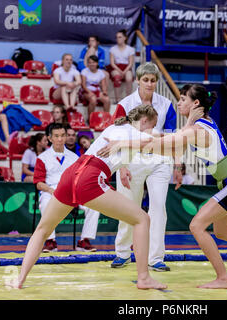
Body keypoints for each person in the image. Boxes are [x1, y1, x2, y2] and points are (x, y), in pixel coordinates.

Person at [98, 84, 227, 289]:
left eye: (183, 99)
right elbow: (169, 140)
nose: (178, 102)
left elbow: (165, 142)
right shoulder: (201, 123)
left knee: (196, 226)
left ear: (196, 103)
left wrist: (123, 144)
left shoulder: (196, 129)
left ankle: (223, 278)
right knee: (223, 232)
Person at [11, 105, 167, 290]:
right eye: (153, 124)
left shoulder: (114, 128)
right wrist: (188, 125)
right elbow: (163, 141)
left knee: (42, 229)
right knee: (142, 218)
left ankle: (20, 279)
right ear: (143, 121)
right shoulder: (135, 133)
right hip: (91, 177)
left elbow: (116, 151)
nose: (154, 128)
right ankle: (144, 278)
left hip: (71, 175)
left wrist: (123, 166)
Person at [111, 62, 176, 272]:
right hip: (132, 159)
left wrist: (177, 165)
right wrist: (121, 166)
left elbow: (173, 138)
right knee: (128, 206)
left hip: (160, 159)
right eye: (145, 79)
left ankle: (155, 257)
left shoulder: (166, 104)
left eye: (153, 80)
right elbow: (115, 136)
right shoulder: (124, 104)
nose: (149, 83)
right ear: (138, 80)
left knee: (159, 208)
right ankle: (122, 252)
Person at [32, 123, 80, 252]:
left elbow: (78, 179)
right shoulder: (42, 158)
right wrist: (51, 190)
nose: (60, 139)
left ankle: (84, 240)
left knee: (94, 205)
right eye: (56, 136)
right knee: (45, 203)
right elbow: (38, 183)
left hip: (71, 191)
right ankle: (50, 241)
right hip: (50, 190)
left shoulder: (75, 158)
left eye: (63, 135)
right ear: (50, 138)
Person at [106, 29, 135, 103]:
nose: (118, 39)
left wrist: (124, 71)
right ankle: (118, 100)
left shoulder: (130, 49)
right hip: (116, 67)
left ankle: (128, 100)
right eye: (117, 37)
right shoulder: (113, 49)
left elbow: (130, 63)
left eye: (120, 37)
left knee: (129, 78)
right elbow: (112, 63)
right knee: (117, 78)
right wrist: (120, 71)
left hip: (127, 68)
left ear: (125, 38)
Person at [80, 55, 111, 120]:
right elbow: (83, 85)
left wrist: (104, 92)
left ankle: (106, 119)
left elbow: (103, 85)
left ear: (97, 63)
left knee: (107, 100)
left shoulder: (101, 73)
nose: (91, 64)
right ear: (88, 63)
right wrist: (90, 92)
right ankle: (90, 119)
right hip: (86, 91)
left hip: (97, 90)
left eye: (93, 62)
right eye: (90, 62)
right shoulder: (84, 71)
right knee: (93, 99)